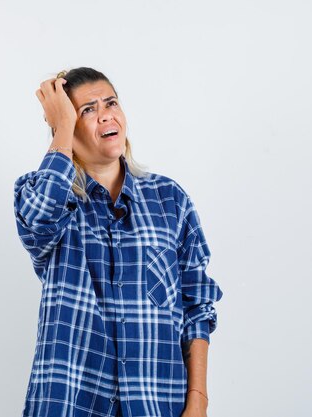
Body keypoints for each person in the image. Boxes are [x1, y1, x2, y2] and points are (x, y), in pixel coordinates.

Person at [13, 67, 224, 417]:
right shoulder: (46, 195)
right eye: (86, 110)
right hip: (70, 403)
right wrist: (62, 125)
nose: (106, 114)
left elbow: (197, 306)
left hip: (156, 404)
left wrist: (198, 400)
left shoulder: (170, 200)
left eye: (110, 102)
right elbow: (39, 219)